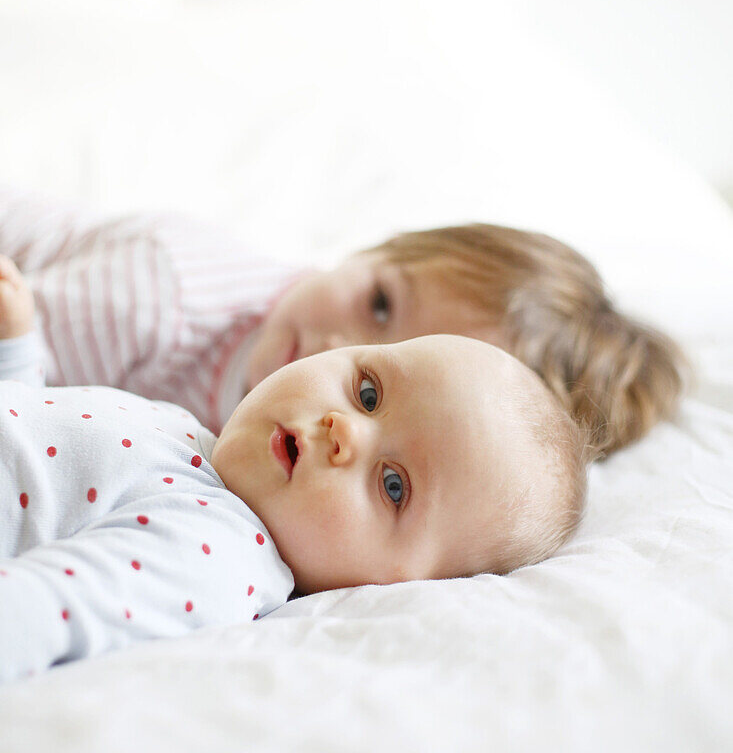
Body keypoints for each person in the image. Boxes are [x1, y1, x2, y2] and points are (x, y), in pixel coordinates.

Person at [0, 261, 588, 683]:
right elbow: (47, 472)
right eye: (367, 390)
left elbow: (48, 609)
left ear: (399, 587)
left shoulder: (213, 552)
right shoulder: (198, 442)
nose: (344, 430)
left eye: (393, 486)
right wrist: (18, 359)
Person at [0, 191, 687, 455]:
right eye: (380, 304)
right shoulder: (163, 297)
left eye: (376, 391)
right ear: (376, 248)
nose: (337, 352)